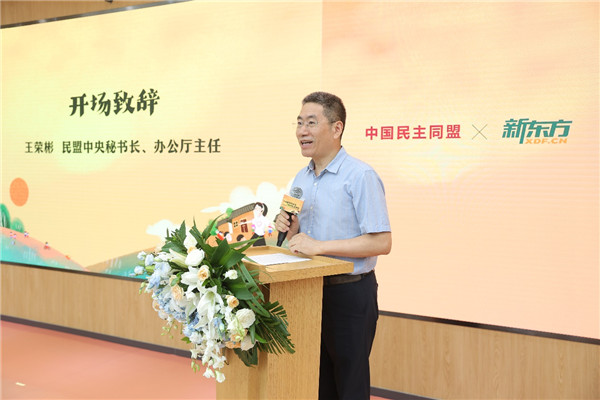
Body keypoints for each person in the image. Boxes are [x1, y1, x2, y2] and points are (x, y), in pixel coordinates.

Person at [275, 91, 392, 400]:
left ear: (337, 128)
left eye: (311, 123)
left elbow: (382, 241)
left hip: (349, 293)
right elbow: (299, 235)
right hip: (308, 292)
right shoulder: (301, 178)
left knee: (350, 386)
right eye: (299, 123)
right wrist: (289, 227)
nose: (302, 131)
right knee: (318, 384)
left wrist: (320, 246)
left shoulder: (360, 175)